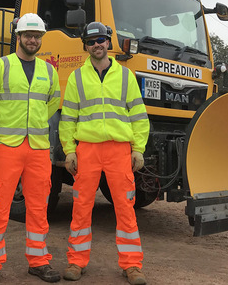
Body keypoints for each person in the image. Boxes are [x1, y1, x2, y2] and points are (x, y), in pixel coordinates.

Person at [58, 22, 150, 285]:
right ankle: (76, 261)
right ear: (85, 46)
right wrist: (69, 151)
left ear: (109, 42)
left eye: (101, 39)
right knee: (81, 207)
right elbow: (68, 119)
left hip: (119, 150)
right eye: (91, 41)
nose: (97, 44)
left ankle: (132, 265)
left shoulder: (126, 76)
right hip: (86, 150)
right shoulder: (76, 77)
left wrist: (138, 149)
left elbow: (139, 116)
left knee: (125, 208)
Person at [0, 13, 61, 284]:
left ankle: (38, 261)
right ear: (18, 36)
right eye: (28, 35)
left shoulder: (49, 71)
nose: (33, 40)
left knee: (39, 207)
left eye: (37, 36)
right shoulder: (0, 67)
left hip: (38, 149)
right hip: (6, 147)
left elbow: (51, 104)